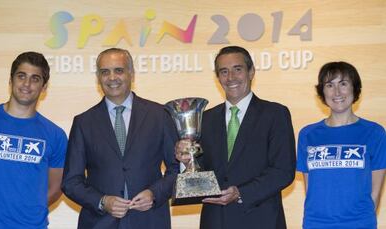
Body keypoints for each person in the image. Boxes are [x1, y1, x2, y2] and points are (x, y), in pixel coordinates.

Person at [176, 46, 296, 229]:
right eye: (224, 72)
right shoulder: (204, 119)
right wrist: (185, 161)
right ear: (218, 78)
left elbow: (283, 171)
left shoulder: (275, 114)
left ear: (251, 72)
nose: (230, 77)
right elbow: (202, 170)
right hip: (215, 221)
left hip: (261, 220)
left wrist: (241, 192)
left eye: (237, 69)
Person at [61, 48, 179, 229]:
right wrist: (102, 201)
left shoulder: (160, 115)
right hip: (99, 223)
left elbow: (177, 167)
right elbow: (71, 182)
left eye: (119, 70)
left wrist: (154, 194)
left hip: (150, 221)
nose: (112, 77)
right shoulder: (83, 122)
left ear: (131, 73)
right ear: (98, 78)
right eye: (105, 72)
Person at [0, 52, 67, 228]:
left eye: (35, 78)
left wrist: (30, 208)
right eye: (21, 76)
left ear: (44, 87)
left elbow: (57, 186)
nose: (27, 84)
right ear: (10, 80)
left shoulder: (55, 135)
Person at [296, 61, 386, 228]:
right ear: (322, 92)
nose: (337, 92)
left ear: (355, 88)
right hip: (316, 223)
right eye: (330, 85)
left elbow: (375, 192)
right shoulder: (307, 135)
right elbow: (311, 189)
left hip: (359, 223)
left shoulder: (374, 133)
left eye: (343, 84)